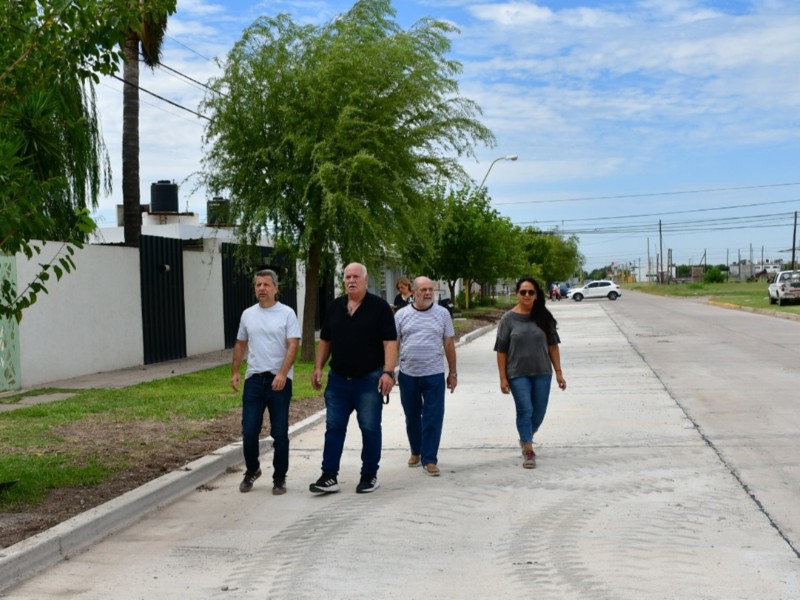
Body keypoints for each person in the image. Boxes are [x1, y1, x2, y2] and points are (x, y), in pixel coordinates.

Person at [310, 262, 398, 494]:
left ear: (366, 280)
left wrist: (388, 373)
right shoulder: (336, 306)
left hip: (369, 380)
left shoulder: (379, 308)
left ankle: (369, 475)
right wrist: (318, 367)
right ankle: (329, 476)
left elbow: (390, 343)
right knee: (334, 427)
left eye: (356, 276)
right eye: (347, 276)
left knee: (369, 428)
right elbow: (326, 340)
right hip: (338, 379)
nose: (351, 280)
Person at [231, 269, 301, 495]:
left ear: (276, 288)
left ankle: (279, 477)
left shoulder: (287, 313)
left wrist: (282, 373)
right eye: (258, 285)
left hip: (279, 381)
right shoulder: (248, 314)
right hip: (254, 380)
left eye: (266, 285)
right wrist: (235, 371)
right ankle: (252, 469)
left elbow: (293, 345)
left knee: (279, 433)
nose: (261, 289)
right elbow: (241, 343)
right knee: (249, 430)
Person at [494, 277, 566, 469]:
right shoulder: (508, 319)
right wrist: (502, 377)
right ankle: (528, 449)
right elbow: (501, 350)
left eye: (531, 292)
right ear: (517, 294)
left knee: (539, 411)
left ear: (536, 295)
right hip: (517, 373)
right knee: (525, 409)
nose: (527, 295)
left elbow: (553, 347)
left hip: (542, 372)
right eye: (523, 292)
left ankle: (527, 435)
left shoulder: (544, 317)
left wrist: (558, 372)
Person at [395, 276, 457, 476]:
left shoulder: (443, 314)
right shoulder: (401, 315)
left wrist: (453, 373)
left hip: (434, 374)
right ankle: (416, 451)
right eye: (423, 289)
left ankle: (429, 459)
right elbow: (394, 344)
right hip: (408, 374)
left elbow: (448, 343)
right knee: (412, 416)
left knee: (433, 417)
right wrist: (388, 371)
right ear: (413, 292)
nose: (428, 293)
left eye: (431, 289)